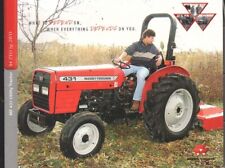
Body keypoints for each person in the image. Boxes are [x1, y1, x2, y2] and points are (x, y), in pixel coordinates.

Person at [115, 29, 162, 111]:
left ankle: (136, 101)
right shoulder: (136, 45)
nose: (153, 40)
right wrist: (120, 58)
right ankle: (118, 95)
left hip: (144, 68)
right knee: (119, 73)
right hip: (133, 66)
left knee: (141, 76)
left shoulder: (153, 47)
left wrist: (160, 58)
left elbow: (159, 54)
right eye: (152, 38)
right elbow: (126, 51)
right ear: (146, 37)